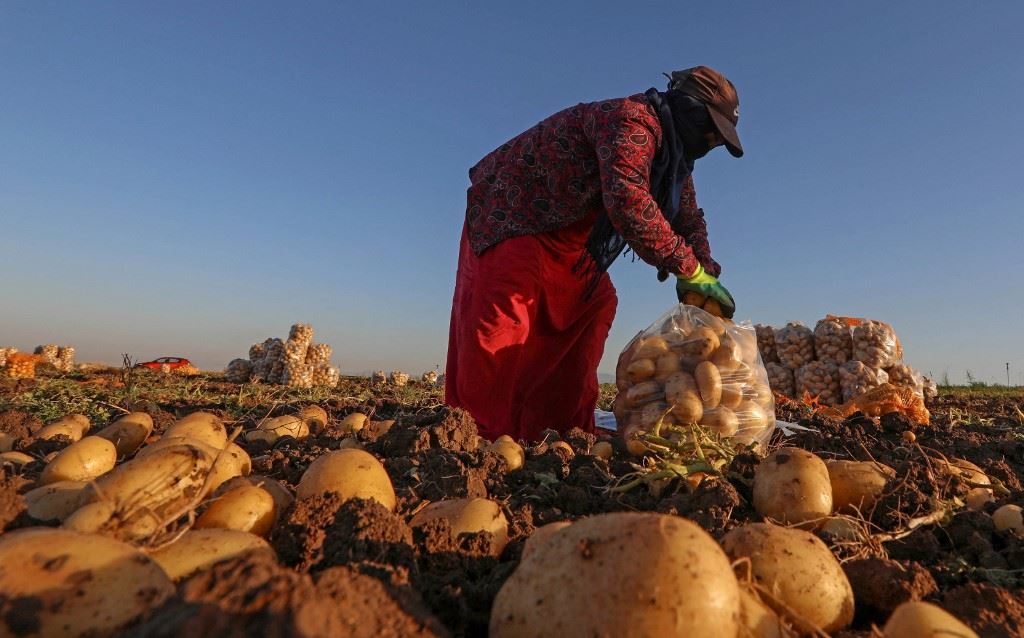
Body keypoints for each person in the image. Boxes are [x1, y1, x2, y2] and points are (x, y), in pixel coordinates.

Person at [445, 65, 743, 442]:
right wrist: (687, 269)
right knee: (504, 325)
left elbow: (690, 219)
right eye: (711, 129)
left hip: (568, 239)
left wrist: (706, 272)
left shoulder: (675, 161)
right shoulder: (632, 122)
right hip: (517, 219)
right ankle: (475, 438)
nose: (712, 141)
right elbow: (628, 199)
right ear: (689, 109)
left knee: (595, 305)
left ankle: (558, 430)